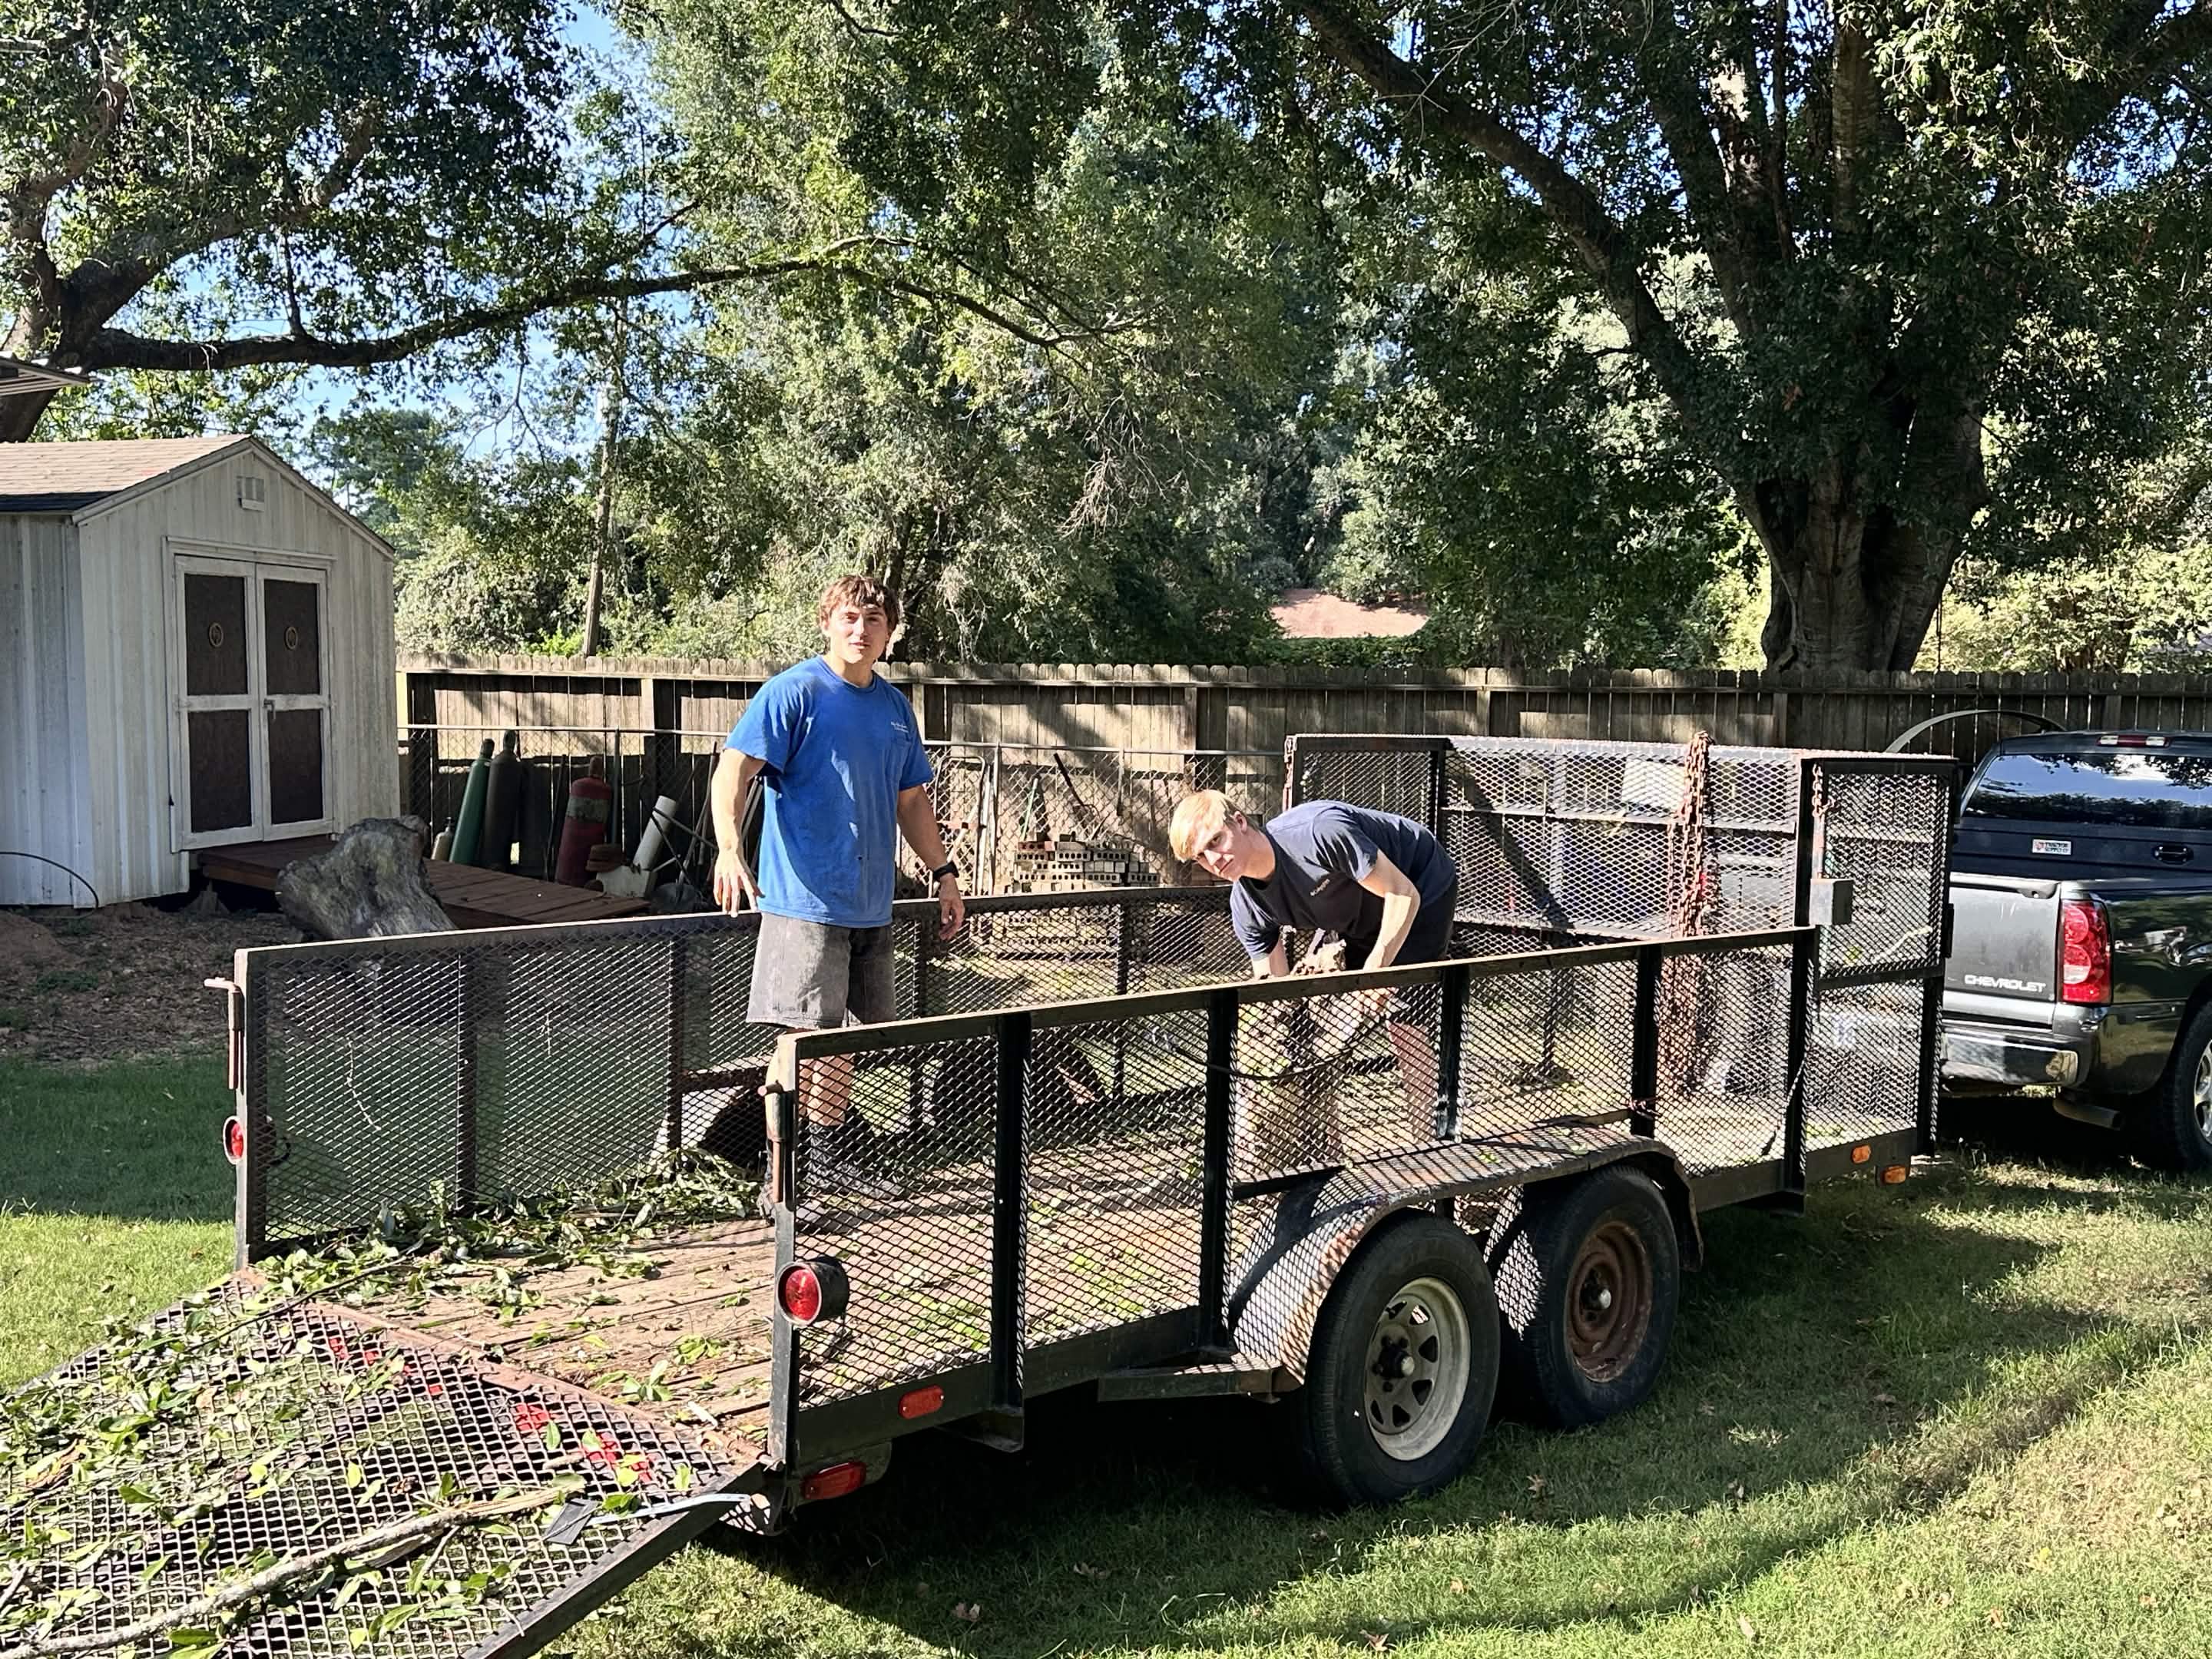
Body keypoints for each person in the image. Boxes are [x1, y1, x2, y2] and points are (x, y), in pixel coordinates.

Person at [711, 575, 965, 1197]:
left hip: (870, 903)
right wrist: (728, 849)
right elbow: (733, 772)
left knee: (845, 1041)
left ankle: (825, 1161)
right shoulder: (793, 693)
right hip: (804, 901)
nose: (861, 630)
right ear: (827, 622)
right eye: (849, 618)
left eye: (874, 621)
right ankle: (780, 1176)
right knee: (801, 1044)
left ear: (890, 633)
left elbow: (912, 801)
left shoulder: (894, 709)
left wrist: (945, 872)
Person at [1167, 790, 1458, 1121]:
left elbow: (1403, 894)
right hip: (1351, 914)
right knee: (1312, 1027)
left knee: (1403, 1019)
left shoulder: (1318, 832)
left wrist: (1375, 973)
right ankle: (1320, 1148)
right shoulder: (1245, 906)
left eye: (1216, 841)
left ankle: (1432, 1140)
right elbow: (1275, 992)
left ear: (1239, 822)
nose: (1213, 860)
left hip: (1418, 886)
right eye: (1201, 857)